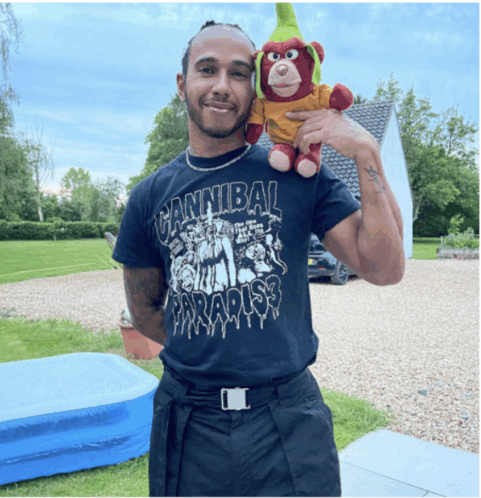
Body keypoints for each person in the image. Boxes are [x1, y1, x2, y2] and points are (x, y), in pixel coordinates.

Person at [112, 20, 405, 497]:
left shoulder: (297, 174)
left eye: (239, 73)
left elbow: (385, 268)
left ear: (256, 89)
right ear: (183, 84)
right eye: (207, 70)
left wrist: (366, 153)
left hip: (288, 422)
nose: (222, 85)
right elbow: (144, 311)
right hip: (189, 424)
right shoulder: (149, 196)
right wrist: (209, 343)